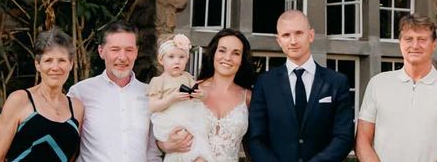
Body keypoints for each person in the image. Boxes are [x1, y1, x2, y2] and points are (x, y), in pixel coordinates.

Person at [356, 14, 437, 162]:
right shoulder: (377, 84)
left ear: (434, 45)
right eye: (409, 39)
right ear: (400, 43)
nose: (415, 45)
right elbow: (362, 142)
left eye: (422, 39)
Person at [68, 21, 187, 162]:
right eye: (115, 49)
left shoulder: (150, 94)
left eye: (129, 50)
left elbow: (152, 152)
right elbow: (69, 148)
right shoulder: (80, 93)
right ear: (101, 51)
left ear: (136, 52)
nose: (123, 57)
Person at [248, 10, 355, 162]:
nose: (293, 41)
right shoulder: (264, 83)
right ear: (279, 41)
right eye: (286, 35)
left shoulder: (336, 82)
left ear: (310, 35)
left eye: (298, 33)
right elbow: (255, 139)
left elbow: (344, 136)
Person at [0, 27, 83, 162]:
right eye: (48, 60)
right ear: (37, 64)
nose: (55, 67)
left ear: (71, 64)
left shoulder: (77, 108)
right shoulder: (19, 100)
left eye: (61, 60)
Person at [148, 33, 213, 162]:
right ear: (161, 60)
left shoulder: (187, 77)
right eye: (171, 57)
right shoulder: (158, 80)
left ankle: (198, 158)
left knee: (197, 138)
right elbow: (152, 106)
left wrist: (200, 95)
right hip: (170, 117)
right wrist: (171, 98)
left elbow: (203, 96)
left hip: (189, 114)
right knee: (182, 141)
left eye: (181, 57)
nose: (177, 61)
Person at [196, 28, 255, 162]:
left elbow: (254, 145)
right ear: (213, 53)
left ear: (241, 60)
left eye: (236, 53)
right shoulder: (193, 89)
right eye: (222, 50)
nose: (227, 57)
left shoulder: (248, 98)